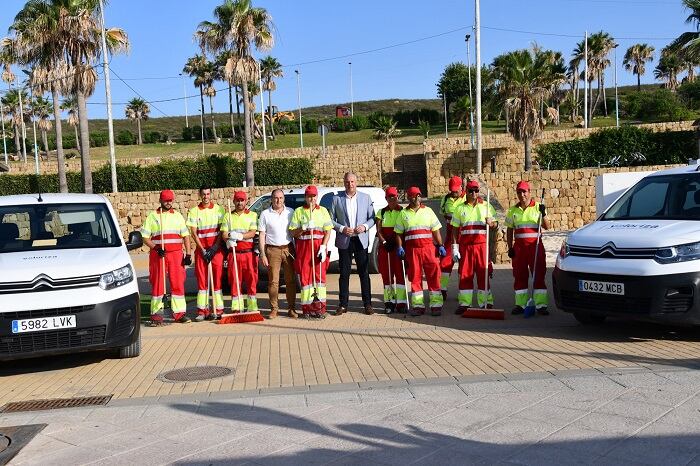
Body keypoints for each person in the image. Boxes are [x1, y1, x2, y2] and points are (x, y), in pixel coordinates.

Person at [141, 189, 192, 325]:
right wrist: (156, 247)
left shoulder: (178, 216)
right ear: (161, 200)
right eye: (166, 200)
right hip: (159, 255)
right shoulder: (153, 216)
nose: (169, 203)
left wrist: (188, 253)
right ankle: (157, 316)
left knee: (178, 283)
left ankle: (180, 314)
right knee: (158, 285)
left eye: (170, 200)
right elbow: (145, 237)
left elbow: (186, 236)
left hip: (176, 255)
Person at [394, 186, 446, 316]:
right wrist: (400, 247)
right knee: (415, 278)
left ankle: (436, 305)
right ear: (409, 197)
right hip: (412, 251)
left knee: (433, 276)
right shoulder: (403, 213)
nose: (417, 198)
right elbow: (399, 233)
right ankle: (418, 306)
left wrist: (440, 245)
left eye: (418, 195)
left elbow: (435, 230)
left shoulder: (428, 211)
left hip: (429, 249)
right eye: (413, 196)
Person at [330, 172, 376, 315]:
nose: (350, 184)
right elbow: (330, 220)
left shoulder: (365, 198)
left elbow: (373, 218)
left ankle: (367, 304)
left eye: (352, 182)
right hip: (345, 240)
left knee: (364, 272)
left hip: (360, 239)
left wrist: (365, 227)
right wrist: (342, 228)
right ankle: (343, 304)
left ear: (356, 182)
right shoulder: (336, 199)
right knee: (344, 273)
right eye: (347, 182)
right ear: (344, 183)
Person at [451, 180, 498, 313]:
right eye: (471, 190)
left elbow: (496, 224)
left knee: (484, 274)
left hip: (481, 246)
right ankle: (465, 304)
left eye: (476, 190)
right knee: (465, 275)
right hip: (466, 247)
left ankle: (486, 303)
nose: (473, 193)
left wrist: (492, 223)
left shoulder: (486, 206)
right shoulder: (460, 208)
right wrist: (455, 247)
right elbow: (455, 229)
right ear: (466, 191)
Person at [505, 181, 550, 316]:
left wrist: (544, 213)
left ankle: (541, 305)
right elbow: (509, 229)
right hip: (519, 248)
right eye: (519, 192)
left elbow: (547, 226)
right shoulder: (513, 210)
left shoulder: (538, 207)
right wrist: (510, 247)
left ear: (529, 192)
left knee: (539, 275)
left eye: (524, 191)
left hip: (535, 247)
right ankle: (520, 304)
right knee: (519, 275)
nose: (522, 194)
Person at [289, 185, 333, 318]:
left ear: (317, 197)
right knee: (306, 279)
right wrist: (302, 228)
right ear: (305, 197)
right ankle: (307, 309)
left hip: (318, 248)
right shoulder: (298, 211)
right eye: (309, 196)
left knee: (319, 279)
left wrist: (324, 246)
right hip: (304, 250)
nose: (311, 199)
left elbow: (328, 230)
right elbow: (292, 232)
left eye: (314, 196)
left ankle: (320, 308)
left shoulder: (323, 211)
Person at [187, 186, 225, 321]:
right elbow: (193, 233)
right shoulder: (194, 211)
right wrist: (203, 250)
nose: (206, 196)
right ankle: (202, 311)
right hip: (201, 251)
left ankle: (218, 310)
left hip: (216, 250)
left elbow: (222, 230)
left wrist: (214, 248)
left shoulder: (219, 209)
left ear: (211, 194)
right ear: (199, 195)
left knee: (217, 280)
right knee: (202, 282)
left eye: (208, 194)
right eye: (203, 194)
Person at [258, 188, 298, 319]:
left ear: (284, 199)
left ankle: (291, 308)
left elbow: (294, 232)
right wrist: (262, 254)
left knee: (291, 281)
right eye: (275, 198)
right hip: (272, 250)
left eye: (280, 198)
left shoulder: (290, 212)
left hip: (288, 249)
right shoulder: (265, 214)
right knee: (273, 282)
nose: (278, 200)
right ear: (271, 199)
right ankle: (274, 309)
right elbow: (262, 235)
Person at [220, 191, 259, 313]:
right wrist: (229, 237)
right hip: (234, 253)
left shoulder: (252, 215)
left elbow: (253, 232)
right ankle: (237, 308)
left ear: (246, 201)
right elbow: (224, 233)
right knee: (235, 280)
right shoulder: (228, 216)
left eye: (242, 200)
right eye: (237, 200)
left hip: (249, 253)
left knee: (252, 280)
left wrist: (240, 236)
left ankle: (252, 307)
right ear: (234, 201)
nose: (239, 203)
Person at [375, 186, 407, 314]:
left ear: (397, 197)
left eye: (394, 196)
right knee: (387, 276)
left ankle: (401, 303)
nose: (392, 199)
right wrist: (384, 241)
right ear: (386, 198)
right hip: (386, 248)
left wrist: (397, 242)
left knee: (400, 275)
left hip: (398, 247)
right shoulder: (381, 212)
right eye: (390, 197)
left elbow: (404, 229)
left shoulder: (402, 211)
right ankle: (389, 302)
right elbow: (379, 230)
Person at [439, 176, 466, 300]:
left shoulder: (468, 198)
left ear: (462, 187)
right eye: (452, 190)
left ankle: (463, 292)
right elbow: (444, 215)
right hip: (451, 237)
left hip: (465, 237)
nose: (454, 193)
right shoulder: (445, 199)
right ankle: (442, 290)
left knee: (464, 266)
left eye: (456, 190)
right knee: (444, 263)